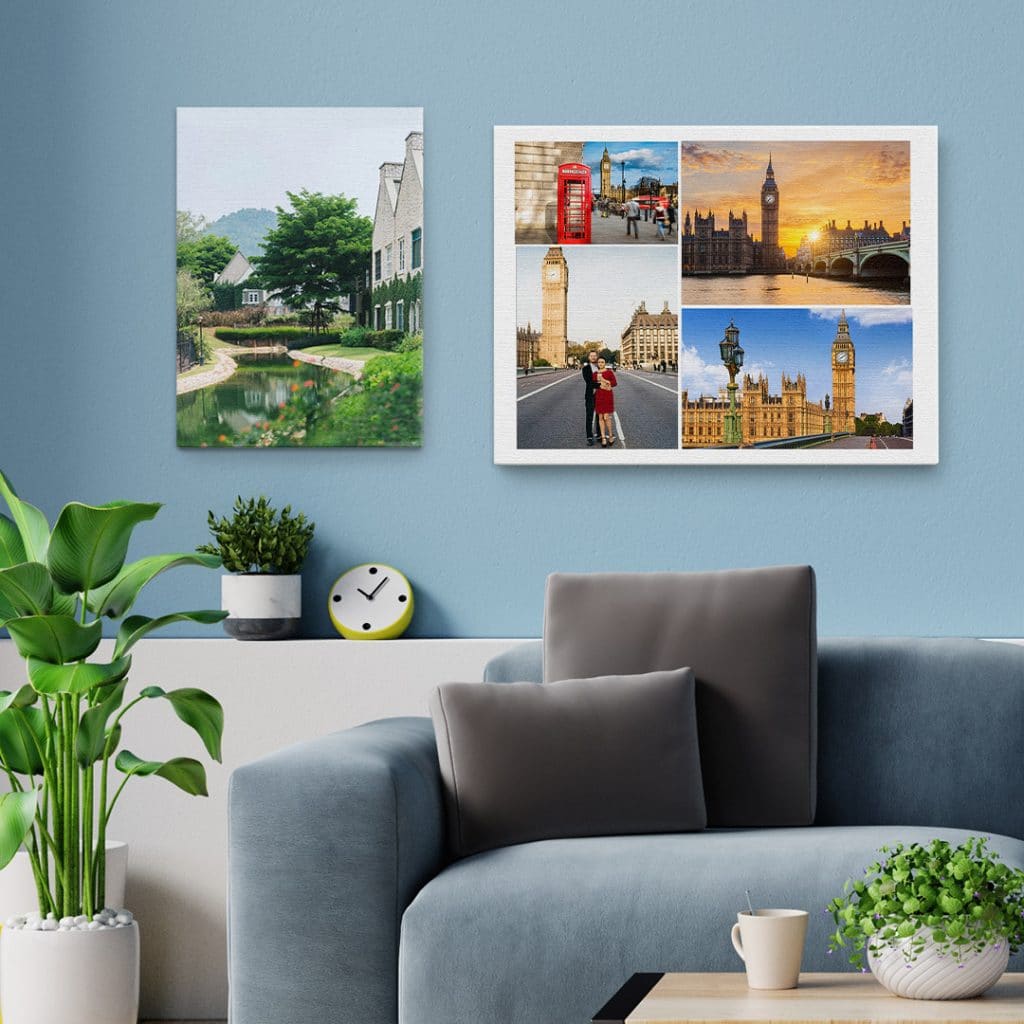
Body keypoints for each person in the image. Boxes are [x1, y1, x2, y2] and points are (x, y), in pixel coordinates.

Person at [593, 356, 617, 447]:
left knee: (606, 417)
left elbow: (614, 383)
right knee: (600, 417)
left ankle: (610, 435)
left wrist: (604, 380)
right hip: (599, 396)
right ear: (597, 364)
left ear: (605, 363)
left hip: (607, 396)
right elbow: (593, 384)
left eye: (602, 362)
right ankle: (603, 437)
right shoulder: (595, 373)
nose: (601, 364)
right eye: (599, 362)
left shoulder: (609, 372)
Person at [581, 349, 600, 446]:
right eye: (591, 356)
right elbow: (589, 381)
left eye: (595, 355)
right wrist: (599, 385)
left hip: (600, 395)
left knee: (599, 416)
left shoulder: (601, 367)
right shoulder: (585, 369)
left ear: (597, 357)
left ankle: (599, 435)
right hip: (590, 395)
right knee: (589, 416)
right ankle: (589, 436)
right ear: (589, 357)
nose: (593, 357)